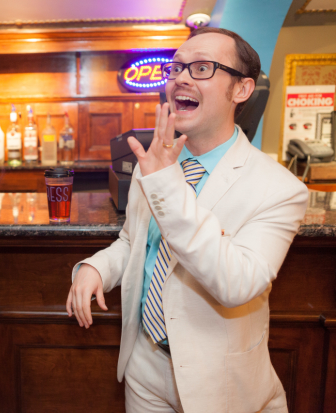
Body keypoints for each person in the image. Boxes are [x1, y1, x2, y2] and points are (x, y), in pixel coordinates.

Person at [66, 28, 308, 413]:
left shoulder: (280, 189)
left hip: (221, 383)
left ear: (242, 90)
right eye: (176, 67)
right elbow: (135, 242)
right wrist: (96, 268)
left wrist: (165, 184)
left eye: (201, 68)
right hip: (144, 367)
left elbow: (236, 283)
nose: (181, 77)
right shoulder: (156, 164)